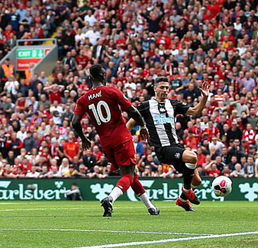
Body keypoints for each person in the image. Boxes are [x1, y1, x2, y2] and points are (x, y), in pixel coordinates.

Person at [71, 64, 159, 217]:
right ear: (103, 76)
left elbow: (74, 122)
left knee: (130, 174)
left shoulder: (83, 100)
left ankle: (151, 207)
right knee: (129, 175)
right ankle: (110, 199)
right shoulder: (111, 91)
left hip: (106, 144)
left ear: (90, 77)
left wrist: (84, 138)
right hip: (121, 138)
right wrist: (143, 126)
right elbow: (132, 111)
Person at [126, 77, 210, 212]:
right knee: (192, 157)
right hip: (162, 149)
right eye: (162, 87)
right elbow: (129, 124)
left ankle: (182, 200)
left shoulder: (173, 104)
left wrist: (205, 97)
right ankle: (187, 190)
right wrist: (125, 142)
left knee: (197, 181)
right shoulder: (146, 106)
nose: (165, 90)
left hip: (175, 146)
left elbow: (195, 111)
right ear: (154, 88)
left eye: (167, 88)